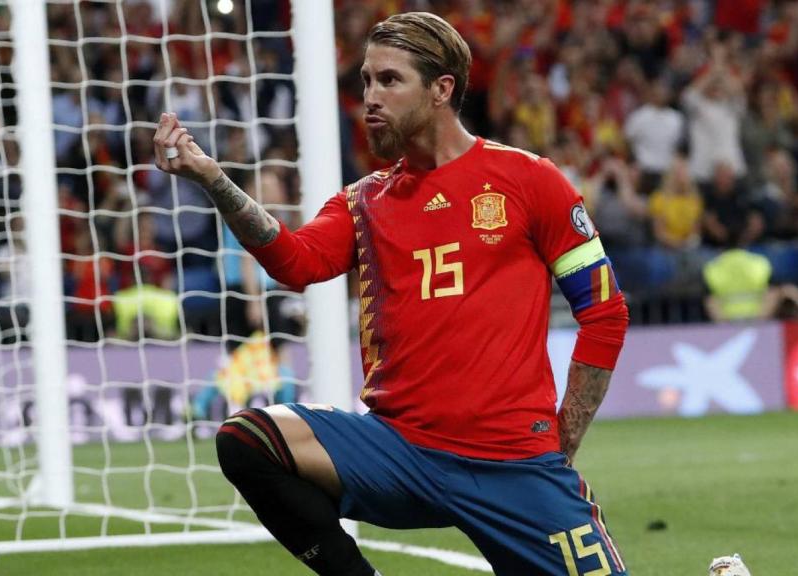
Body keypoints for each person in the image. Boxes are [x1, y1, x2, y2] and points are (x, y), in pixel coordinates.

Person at [154, 12, 629, 576]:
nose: (369, 98)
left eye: (389, 80)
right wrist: (214, 180)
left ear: (440, 90)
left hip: (515, 463)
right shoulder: (364, 202)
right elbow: (296, 262)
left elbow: (604, 312)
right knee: (248, 438)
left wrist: (564, 438)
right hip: (399, 453)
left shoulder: (530, 181)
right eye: (365, 81)